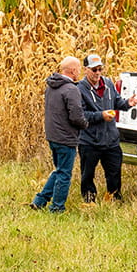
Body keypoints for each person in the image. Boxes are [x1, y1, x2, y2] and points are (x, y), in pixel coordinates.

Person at [77, 54, 137, 205]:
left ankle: (114, 198)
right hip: (89, 140)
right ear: (86, 70)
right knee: (87, 174)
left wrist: (128, 103)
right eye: (94, 70)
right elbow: (80, 114)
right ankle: (89, 200)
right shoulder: (79, 89)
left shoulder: (107, 83)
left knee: (114, 173)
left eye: (100, 69)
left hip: (111, 139)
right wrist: (101, 116)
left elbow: (117, 102)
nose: (98, 73)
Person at [30, 56, 88, 213]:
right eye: (78, 69)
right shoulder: (71, 89)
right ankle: (57, 207)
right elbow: (76, 116)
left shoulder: (52, 86)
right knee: (64, 174)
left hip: (53, 135)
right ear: (73, 70)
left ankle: (40, 200)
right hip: (66, 138)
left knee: (59, 169)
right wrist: (85, 124)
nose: (80, 72)